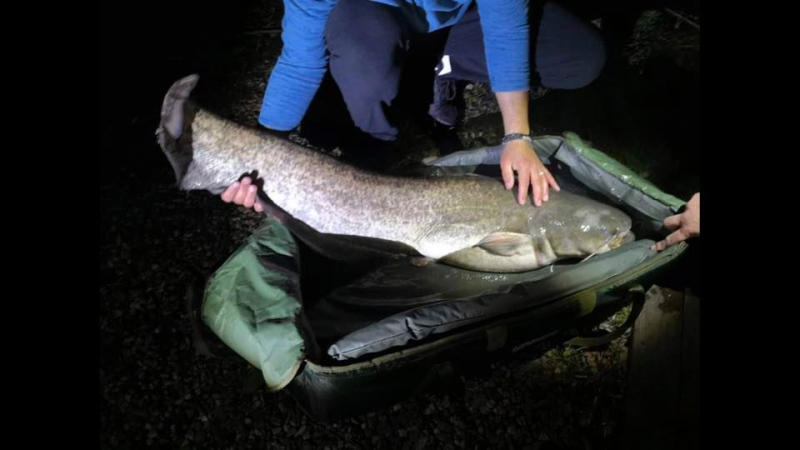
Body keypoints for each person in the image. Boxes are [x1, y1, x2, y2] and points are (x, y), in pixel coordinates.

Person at [222, 0, 608, 211]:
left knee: (582, 57)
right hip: (370, 24)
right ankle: (385, 108)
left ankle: (433, 70)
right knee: (326, 127)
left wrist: (517, 136)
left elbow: (505, 30)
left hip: (459, 22)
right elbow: (300, 63)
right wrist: (260, 151)